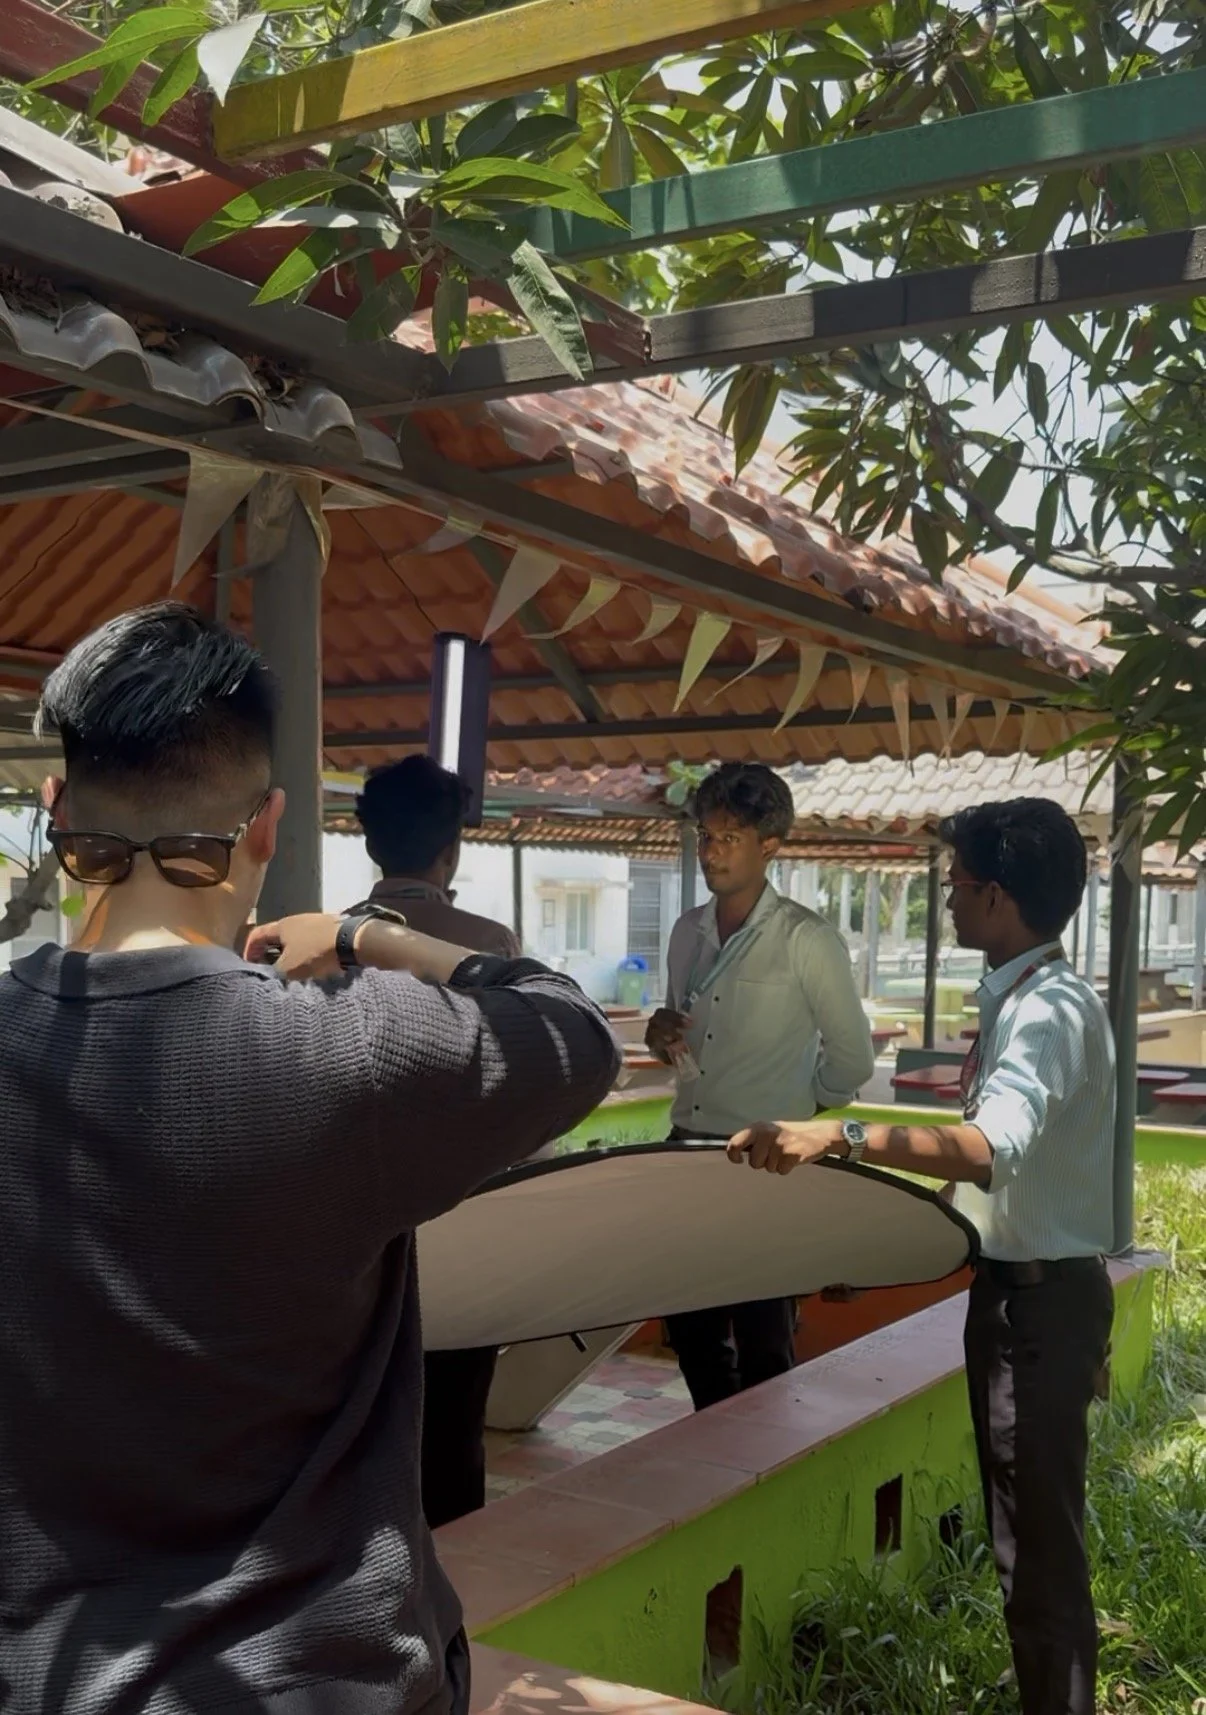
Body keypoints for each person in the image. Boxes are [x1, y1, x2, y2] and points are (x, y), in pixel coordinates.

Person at [0, 603, 619, 1715]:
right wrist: (371, 934)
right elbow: (572, 1028)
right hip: (320, 1679)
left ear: (55, 811)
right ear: (267, 828)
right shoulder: (348, 1045)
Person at [728, 797, 1114, 1715]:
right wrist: (894, 1246)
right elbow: (995, 1184)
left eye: (955, 885)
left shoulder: (1045, 1014)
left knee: (1039, 1559)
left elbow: (990, 1147)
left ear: (997, 896)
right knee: (1033, 1543)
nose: (946, 901)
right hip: (1032, 1297)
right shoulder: (1036, 996)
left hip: (1039, 1311)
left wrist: (842, 1131)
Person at [644, 762, 875, 1411]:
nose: (711, 851)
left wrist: (802, 1112)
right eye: (704, 836)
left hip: (764, 1158)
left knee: (764, 1335)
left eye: (729, 837)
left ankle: (767, 1469)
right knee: (690, 1326)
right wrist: (661, 1036)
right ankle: (716, 1444)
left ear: (769, 844)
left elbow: (852, 1060)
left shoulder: (806, 938)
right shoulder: (687, 930)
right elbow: (682, 1034)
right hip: (689, 1146)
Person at [353, 755, 539, 1532]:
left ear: (369, 843)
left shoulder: (318, 938)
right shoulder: (487, 944)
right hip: (470, 1212)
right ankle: (463, 1586)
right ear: (451, 850)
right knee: (457, 1419)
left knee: (365, 1415)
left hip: (359, 1218)